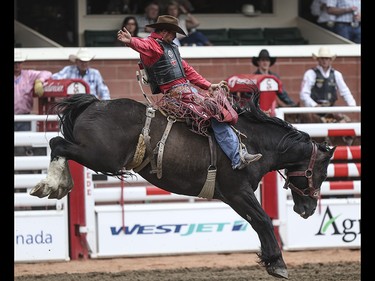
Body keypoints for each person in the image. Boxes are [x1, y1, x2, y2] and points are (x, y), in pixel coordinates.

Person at [117, 15, 262, 170]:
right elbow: (143, 45)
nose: (175, 36)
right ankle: (236, 157)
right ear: (165, 31)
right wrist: (131, 41)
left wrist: (207, 85)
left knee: (220, 109)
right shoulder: (155, 45)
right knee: (215, 112)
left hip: (186, 92)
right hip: (178, 95)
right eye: (173, 33)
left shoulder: (170, 48)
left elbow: (187, 70)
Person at [14, 49, 52, 131]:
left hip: (24, 117)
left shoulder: (28, 74)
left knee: (26, 142)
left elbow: (47, 73)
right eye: (15, 63)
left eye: (19, 62)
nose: (17, 65)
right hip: (22, 117)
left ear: (22, 63)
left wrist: (39, 81)